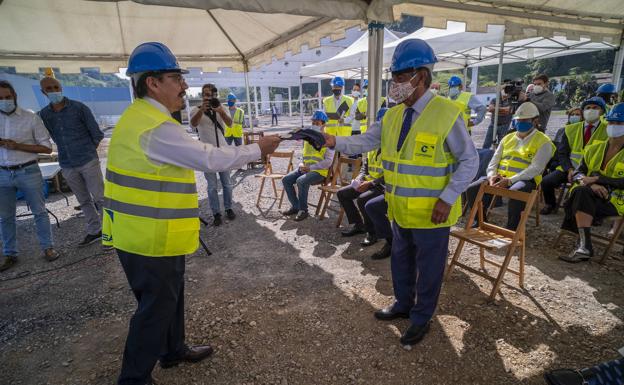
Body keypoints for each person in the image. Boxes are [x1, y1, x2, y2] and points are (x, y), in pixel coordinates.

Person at [104, 42, 280, 385]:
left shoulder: (140, 117)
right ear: (152, 83)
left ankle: (173, 350)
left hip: (146, 233)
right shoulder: (156, 127)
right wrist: (256, 149)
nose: (185, 86)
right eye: (176, 78)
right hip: (149, 238)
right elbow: (209, 159)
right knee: (154, 310)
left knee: (169, 298)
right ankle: (134, 378)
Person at [323, 39, 479, 346]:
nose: (394, 83)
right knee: (401, 260)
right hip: (399, 209)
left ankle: (421, 317)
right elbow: (365, 142)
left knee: (430, 268)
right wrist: (332, 141)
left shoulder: (446, 112)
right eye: (393, 77)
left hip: (433, 212)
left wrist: (448, 198)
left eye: (399, 76)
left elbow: (469, 160)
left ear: (421, 76)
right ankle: (403, 304)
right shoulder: (392, 115)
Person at [465, 102, 554, 230]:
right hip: (500, 176)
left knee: (516, 192)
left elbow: (536, 168)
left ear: (535, 121)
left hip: (524, 180)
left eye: (525, 120)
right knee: (472, 188)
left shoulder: (544, 141)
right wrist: (491, 176)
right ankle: (479, 221)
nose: (520, 123)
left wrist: (510, 180)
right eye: (518, 120)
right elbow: (494, 160)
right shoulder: (508, 138)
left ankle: (512, 229)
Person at [39, 77, 106, 247]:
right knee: (83, 200)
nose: (54, 91)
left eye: (56, 87)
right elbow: (53, 136)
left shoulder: (79, 108)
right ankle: (94, 230)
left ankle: (111, 230)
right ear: (43, 92)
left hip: (87, 160)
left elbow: (97, 133)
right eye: (49, 88)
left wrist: (88, 150)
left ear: (61, 88)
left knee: (100, 197)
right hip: (67, 163)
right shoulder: (45, 115)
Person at [0, 80, 59, 271]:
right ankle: (10, 254)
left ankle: (48, 248)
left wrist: (18, 146)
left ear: (14, 96)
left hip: (28, 170)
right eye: (0, 98)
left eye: (7, 97)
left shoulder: (30, 117)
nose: (4, 101)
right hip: (2, 173)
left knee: (40, 212)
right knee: (5, 217)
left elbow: (47, 147)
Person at [559, 103, 624, 263]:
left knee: (579, 196)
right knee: (581, 192)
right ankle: (585, 245)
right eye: (611, 122)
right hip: (591, 194)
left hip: (617, 201)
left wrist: (597, 179)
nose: (613, 126)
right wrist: (590, 184)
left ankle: (584, 245)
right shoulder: (594, 148)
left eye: (619, 123)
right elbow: (578, 173)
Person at [540, 97, 607, 215]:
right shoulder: (570, 129)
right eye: (588, 108)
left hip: (593, 172)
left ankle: (592, 213)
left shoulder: (608, 130)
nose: (591, 110)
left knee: (592, 189)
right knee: (546, 181)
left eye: (595, 108)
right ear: (583, 111)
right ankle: (550, 204)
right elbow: (562, 153)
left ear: (602, 111)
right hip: (569, 168)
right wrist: (570, 169)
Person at [189, 84, 236, 226]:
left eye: (210, 94)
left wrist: (220, 111)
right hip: (206, 153)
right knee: (212, 186)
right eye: (205, 94)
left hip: (222, 151)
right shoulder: (195, 110)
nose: (208, 97)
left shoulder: (222, 108)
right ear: (202, 96)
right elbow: (193, 125)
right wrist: (201, 110)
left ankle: (228, 208)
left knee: (227, 183)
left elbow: (230, 124)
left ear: (215, 95)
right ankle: (216, 213)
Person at [281, 110, 334, 222]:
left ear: (324, 124)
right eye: (313, 122)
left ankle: (303, 210)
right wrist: (301, 164)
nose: (314, 125)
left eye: (317, 123)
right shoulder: (308, 138)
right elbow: (304, 156)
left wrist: (310, 168)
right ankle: (296, 206)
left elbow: (329, 162)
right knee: (286, 180)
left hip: (320, 172)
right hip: (306, 168)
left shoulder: (329, 139)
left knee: (301, 181)